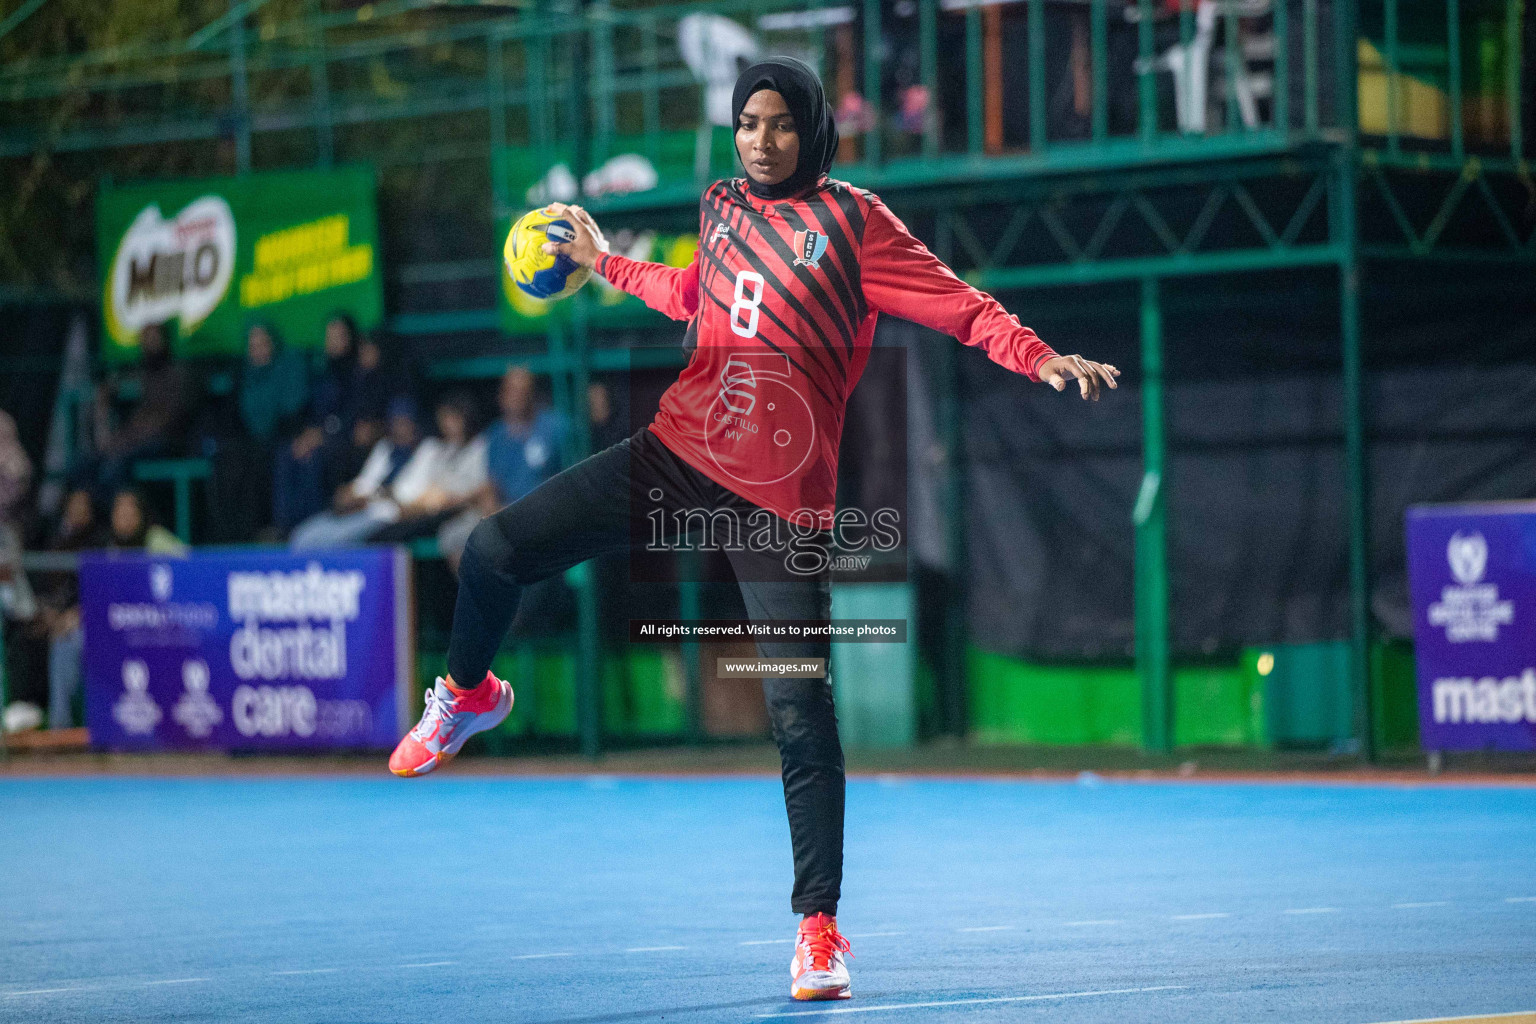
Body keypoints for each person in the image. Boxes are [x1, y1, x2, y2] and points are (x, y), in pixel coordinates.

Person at [386, 57, 1119, 1003]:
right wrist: (605, 261)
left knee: (799, 715)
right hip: (674, 453)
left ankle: (819, 930)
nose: (762, 140)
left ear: (811, 129)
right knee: (491, 552)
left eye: (779, 123)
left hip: (780, 498)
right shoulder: (722, 206)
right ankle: (469, 692)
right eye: (747, 123)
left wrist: (1042, 356)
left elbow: (962, 307)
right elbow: (698, 298)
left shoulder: (856, 225)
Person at [437, 367, 567, 568]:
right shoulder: (496, 436)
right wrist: (495, 512)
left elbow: (566, 479)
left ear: (533, 393)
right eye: (511, 391)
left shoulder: (556, 428)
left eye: (523, 391)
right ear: (502, 395)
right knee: (454, 535)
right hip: (504, 513)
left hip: (545, 512)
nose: (517, 397)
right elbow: (491, 484)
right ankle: (483, 597)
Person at [212, 323, 309, 542]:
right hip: (249, 441)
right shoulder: (242, 376)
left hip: (280, 438)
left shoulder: (286, 371)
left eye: (263, 343)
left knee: (264, 460)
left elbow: (292, 414)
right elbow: (233, 418)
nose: (258, 350)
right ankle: (231, 537)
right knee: (228, 459)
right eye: (253, 345)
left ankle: (269, 531)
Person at [80, 322, 192, 498]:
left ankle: (117, 517)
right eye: (146, 338)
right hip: (135, 442)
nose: (150, 342)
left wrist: (128, 439)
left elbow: (166, 423)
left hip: (164, 444)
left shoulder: (178, 374)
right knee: (85, 464)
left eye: (155, 337)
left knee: (115, 466)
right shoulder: (141, 373)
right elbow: (112, 388)